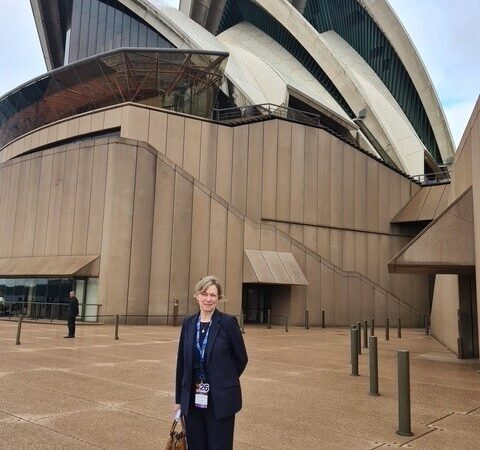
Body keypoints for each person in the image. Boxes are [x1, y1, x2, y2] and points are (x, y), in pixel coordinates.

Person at [174, 275, 248, 450]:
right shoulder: (189, 323)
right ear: (197, 296)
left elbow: (241, 359)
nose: (208, 299)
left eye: (213, 295)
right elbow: (182, 363)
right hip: (193, 399)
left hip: (220, 399)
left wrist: (222, 379)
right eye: (204, 294)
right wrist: (179, 399)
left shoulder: (228, 323)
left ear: (219, 298)